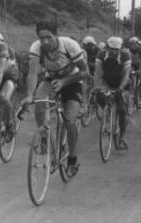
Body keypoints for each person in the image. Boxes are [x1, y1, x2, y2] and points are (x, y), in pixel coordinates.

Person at [20, 21, 89, 176]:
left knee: (69, 120)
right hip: (51, 80)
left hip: (73, 81)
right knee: (39, 100)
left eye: (48, 37)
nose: (44, 41)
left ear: (56, 35)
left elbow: (85, 72)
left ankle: (72, 158)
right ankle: (44, 139)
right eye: (41, 38)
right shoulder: (36, 47)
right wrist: (29, 95)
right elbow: (32, 73)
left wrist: (65, 81)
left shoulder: (69, 45)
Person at [94, 36, 132, 150]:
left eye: (116, 49)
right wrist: (96, 87)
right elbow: (97, 73)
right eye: (111, 49)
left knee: (121, 109)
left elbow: (126, 74)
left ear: (120, 49)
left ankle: (122, 137)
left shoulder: (126, 55)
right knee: (99, 95)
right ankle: (107, 111)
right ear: (107, 47)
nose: (114, 51)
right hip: (106, 80)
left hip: (121, 81)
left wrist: (121, 87)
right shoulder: (101, 54)